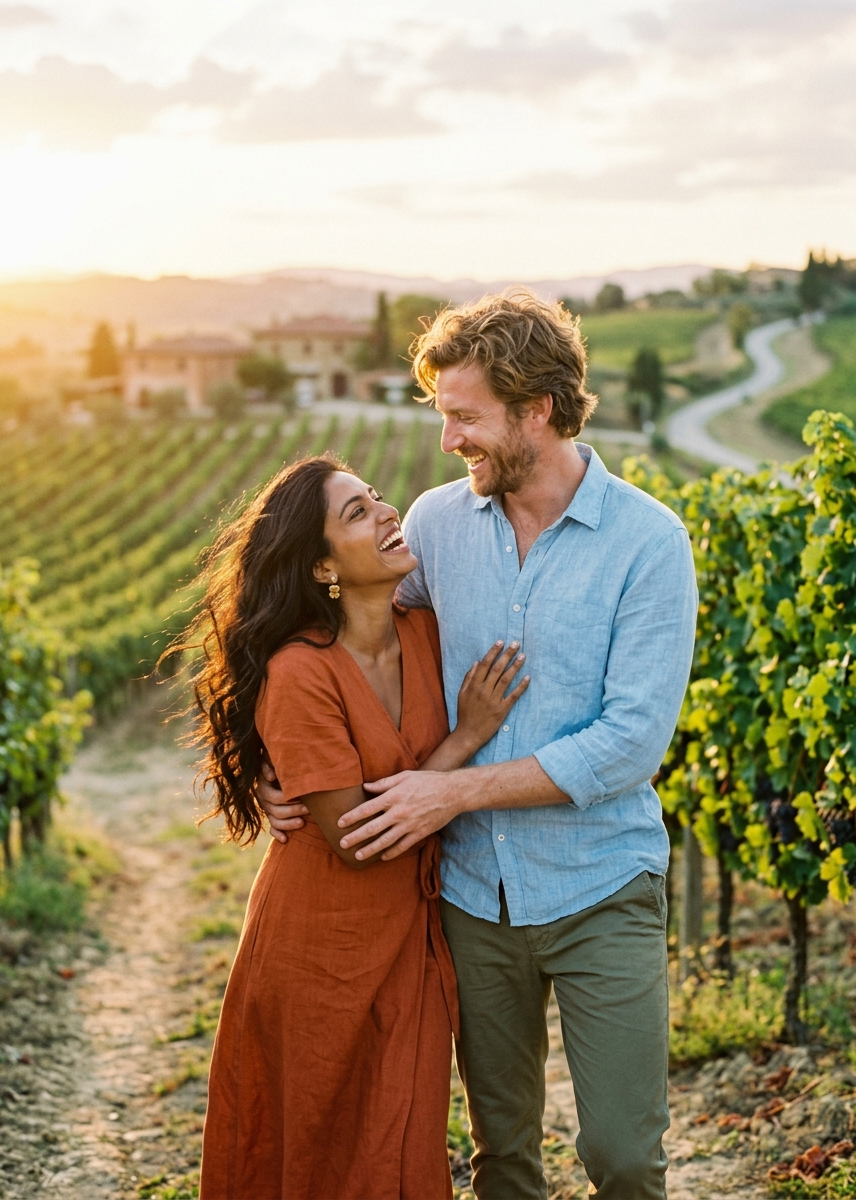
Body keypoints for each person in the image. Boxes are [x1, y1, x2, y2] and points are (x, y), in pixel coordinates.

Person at [261, 291, 699, 1200]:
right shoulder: (432, 525)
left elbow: (629, 744)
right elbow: (350, 650)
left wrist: (452, 790)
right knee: (502, 1158)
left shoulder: (649, 543)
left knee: (623, 1156)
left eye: (467, 416)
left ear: (537, 410)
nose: (448, 439)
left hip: (602, 885)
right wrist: (275, 761)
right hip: (470, 898)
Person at [187, 453, 529, 1200]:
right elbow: (359, 837)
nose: (385, 512)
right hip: (317, 943)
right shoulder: (300, 671)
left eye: (376, 498)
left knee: (398, 1141)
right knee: (314, 1143)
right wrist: (466, 738)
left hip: (413, 937)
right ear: (320, 568)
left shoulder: (428, 633)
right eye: (356, 512)